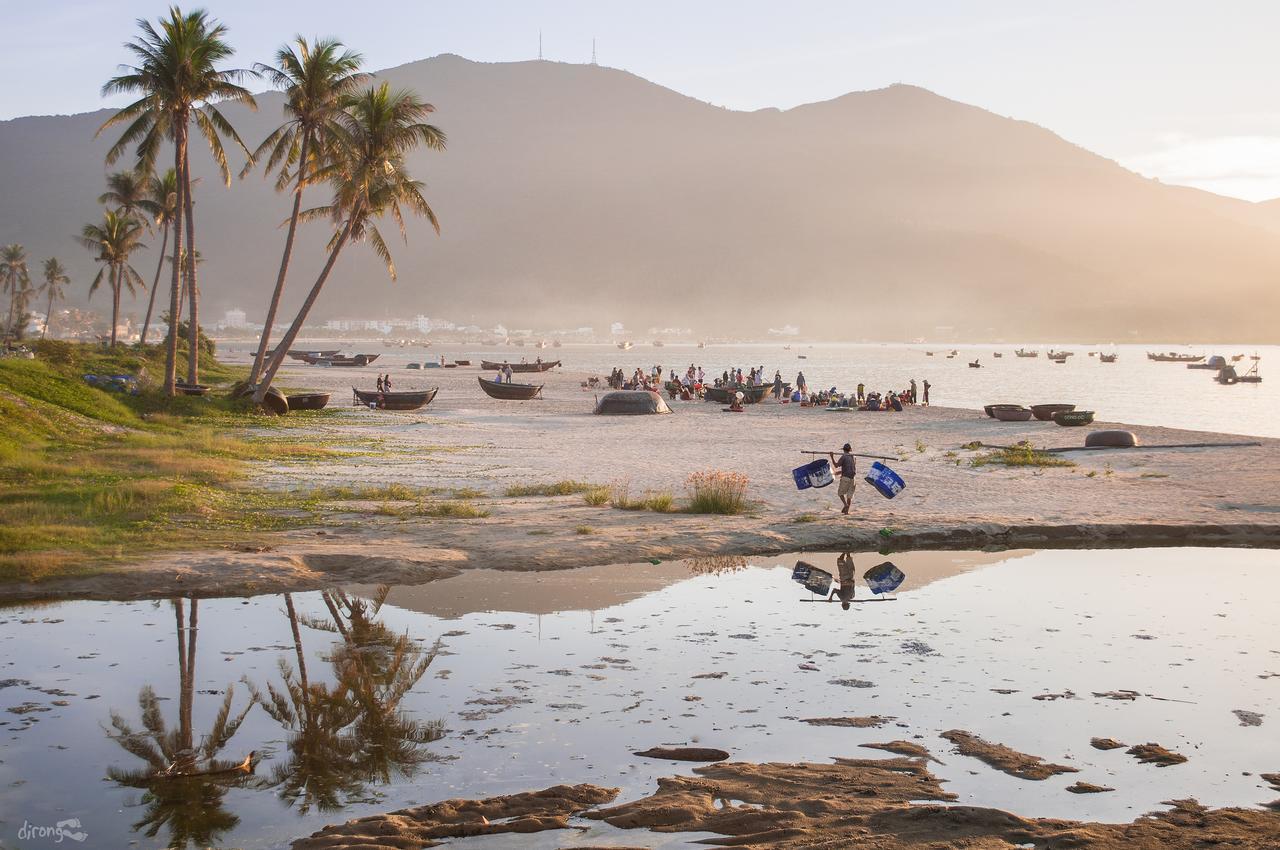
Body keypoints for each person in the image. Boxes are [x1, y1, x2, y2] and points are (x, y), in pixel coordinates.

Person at [829, 443, 857, 515]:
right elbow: (850, 468)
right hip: (853, 478)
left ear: (844, 450)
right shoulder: (853, 457)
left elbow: (836, 465)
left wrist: (832, 457)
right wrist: (838, 473)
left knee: (840, 493)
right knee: (849, 496)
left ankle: (845, 505)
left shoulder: (844, 457)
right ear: (850, 450)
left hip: (846, 478)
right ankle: (846, 512)